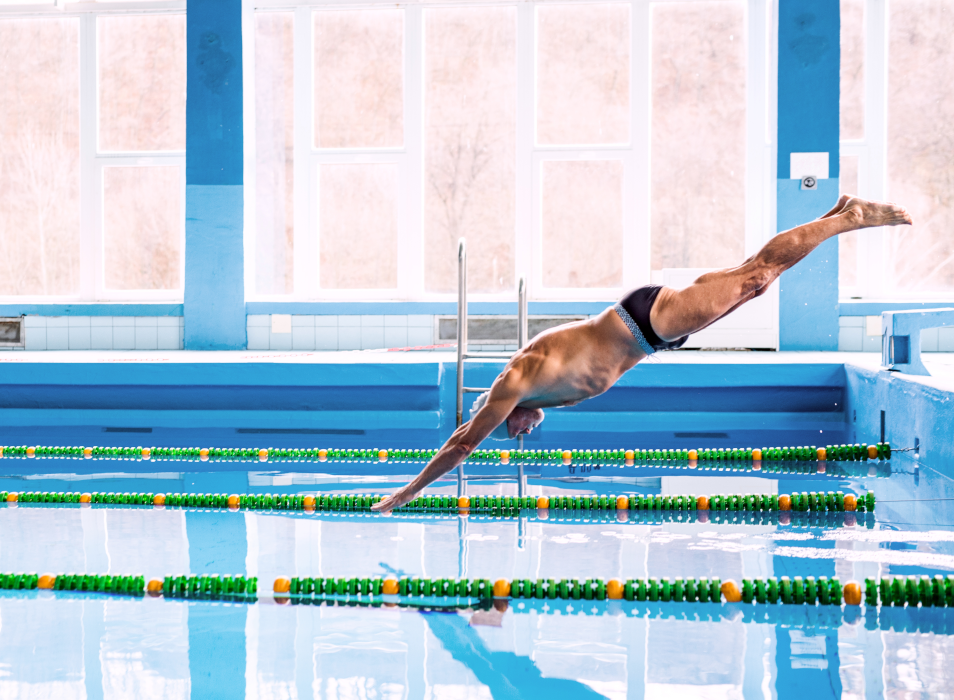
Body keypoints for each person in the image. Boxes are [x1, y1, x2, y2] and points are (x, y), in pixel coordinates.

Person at [371, 195, 912, 513]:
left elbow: (463, 443)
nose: (521, 432)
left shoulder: (511, 385)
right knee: (758, 279)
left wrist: (408, 492)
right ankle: (835, 211)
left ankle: (851, 217)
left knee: (756, 276)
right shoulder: (534, 394)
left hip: (646, 321)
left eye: (514, 427)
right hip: (649, 328)